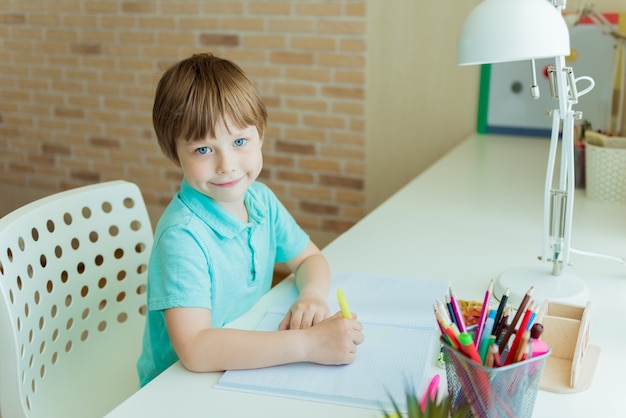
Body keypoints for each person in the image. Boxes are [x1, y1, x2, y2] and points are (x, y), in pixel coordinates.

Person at [136, 53, 364, 387]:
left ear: (261, 136)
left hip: (241, 360)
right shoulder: (182, 237)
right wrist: (309, 343)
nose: (226, 164)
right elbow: (196, 349)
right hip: (176, 388)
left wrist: (312, 296)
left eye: (239, 141)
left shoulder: (260, 201)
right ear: (174, 153)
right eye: (203, 150)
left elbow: (310, 258)